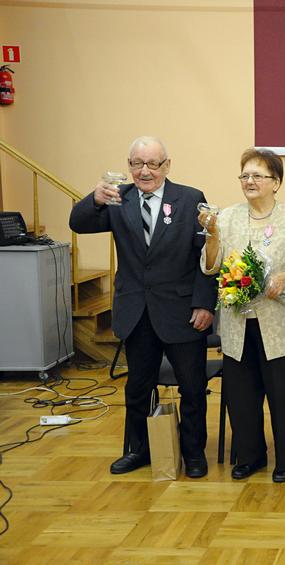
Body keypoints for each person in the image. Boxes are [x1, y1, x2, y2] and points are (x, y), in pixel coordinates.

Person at [69, 136, 217, 478]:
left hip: (182, 311)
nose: (144, 171)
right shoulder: (118, 199)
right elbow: (78, 223)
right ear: (129, 166)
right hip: (137, 311)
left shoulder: (191, 199)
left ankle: (193, 452)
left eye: (152, 164)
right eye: (137, 163)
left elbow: (207, 254)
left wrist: (204, 303)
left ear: (166, 165)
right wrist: (94, 198)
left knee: (192, 387)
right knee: (138, 387)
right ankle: (138, 450)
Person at [200, 148, 285, 482]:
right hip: (239, 322)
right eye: (244, 175)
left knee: (283, 398)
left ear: (276, 182)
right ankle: (250, 457)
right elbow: (210, 266)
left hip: (280, 325)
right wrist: (210, 234)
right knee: (241, 397)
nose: (249, 181)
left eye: (258, 176)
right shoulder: (226, 218)